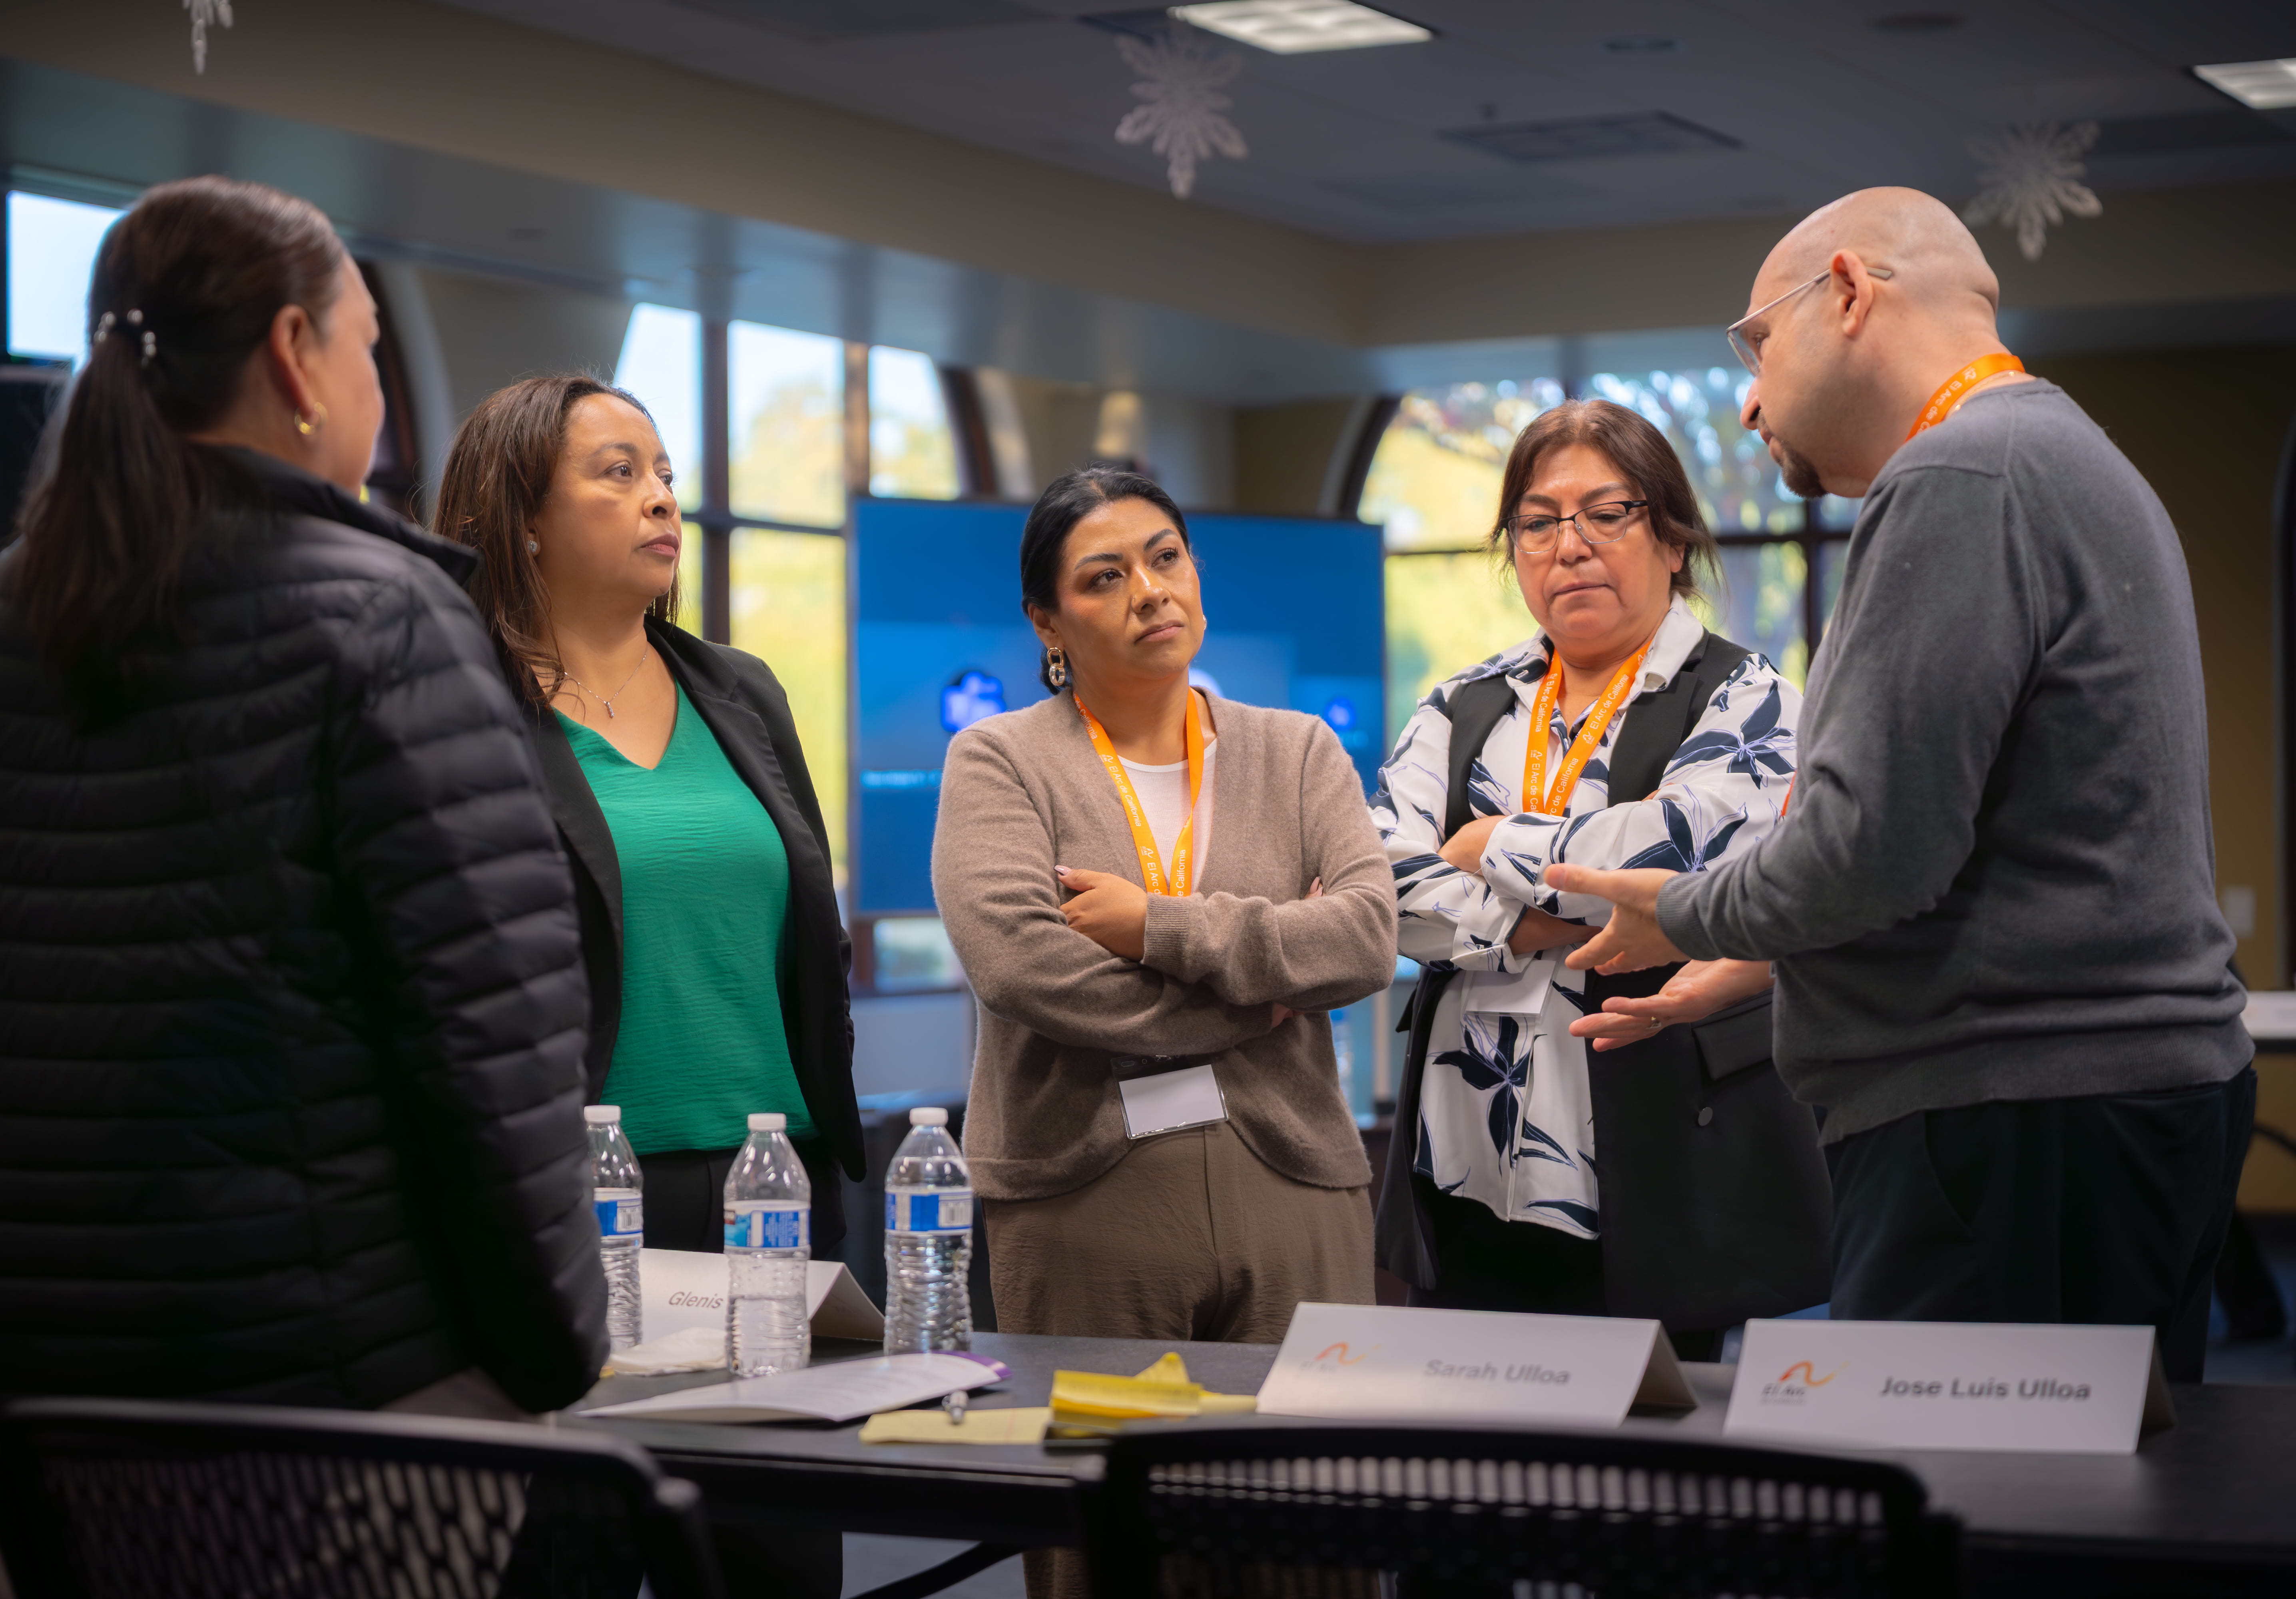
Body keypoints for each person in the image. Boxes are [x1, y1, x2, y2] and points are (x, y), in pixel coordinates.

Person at [0, 179, 607, 1437]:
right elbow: (487, 1045)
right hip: (334, 1405)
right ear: (296, 355)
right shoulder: (383, 617)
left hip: (30, 1404)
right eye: (370, 351)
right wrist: (558, 1354)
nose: (381, 397)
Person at [1551, 187, 2254, 1381]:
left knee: (1980, 1535)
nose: (1752, 397)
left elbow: (1872, 852)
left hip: (2008, 1131)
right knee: (2096, 1521)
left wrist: (1672, 909)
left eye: (1759, 344)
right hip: (2107, 1111)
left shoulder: (1961, 478)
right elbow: (1978, 842)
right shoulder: (2067, 455)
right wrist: (1733, 966)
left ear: (1847, 292)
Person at [933, 467, 1395, 1595]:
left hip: (1292, 1179)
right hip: (1084, 1198)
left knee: (1310, 1532)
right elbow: (1025, 970)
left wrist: (1159, 928)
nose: (1149, 590)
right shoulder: (999, 761)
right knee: (1109, 1538)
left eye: (1164, 558)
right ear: (1048, 619)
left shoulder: (1297, 752)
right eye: (1104, 576)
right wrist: (1260, 988)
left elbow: (1369, 939)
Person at [1371, 400, 1830, 1356]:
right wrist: (1545, 923)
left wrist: (1486, 838)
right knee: (1469, 1449)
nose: (1568, 545)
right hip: (1466, 1148)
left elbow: (1676, 855)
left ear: (1671, 536)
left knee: (1660, 1454)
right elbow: (1377, 888)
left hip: (1662, 1143)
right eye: (1539, 522)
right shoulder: (1463, 704)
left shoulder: (1748, 695)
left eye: (1606, 513)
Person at [436, 375, 861, 1262]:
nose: (662, 498)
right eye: (619, 473)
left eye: (664, 473)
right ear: (524, 519)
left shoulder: (743, 691)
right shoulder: (458, 708)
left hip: (777, 1174)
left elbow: (813, 939)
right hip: (577, 1186)